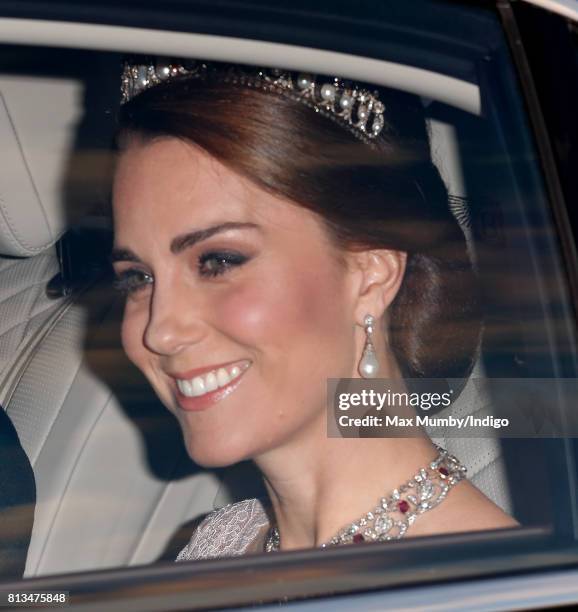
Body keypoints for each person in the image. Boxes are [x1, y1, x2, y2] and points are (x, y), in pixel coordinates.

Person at [111, 59, 517, 560]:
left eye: (218, 261)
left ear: (372, 274)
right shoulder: (220, 543)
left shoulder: (480, 584)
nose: (162, 331)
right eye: (138, 278)